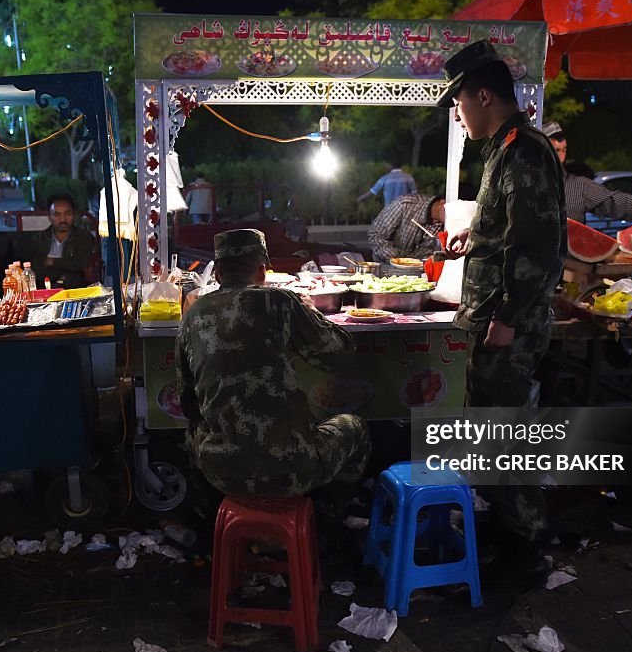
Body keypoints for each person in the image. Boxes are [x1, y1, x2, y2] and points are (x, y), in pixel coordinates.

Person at [437, 40, 565, 569]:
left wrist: (508, 319)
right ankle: (505, 524)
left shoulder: (524, 150)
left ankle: (525, 540)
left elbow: (536, 246)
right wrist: (478, 233)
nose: (459, 114)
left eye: (460, 103)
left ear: (483, 95)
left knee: (505, 430)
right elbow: (511, 228)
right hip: (493, 317)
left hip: (507, 323)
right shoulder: (506, 150)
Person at [175, 228, 371, 499]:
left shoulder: (192, 314)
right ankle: (334, 508)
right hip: (295, 469)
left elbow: (188, 403)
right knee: (356, 427)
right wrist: (311, 313)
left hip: (222, 473)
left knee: (190, 434)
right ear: (262, 271)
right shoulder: (280, 302)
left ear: (218, 274)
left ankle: (207, 513)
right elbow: (338, 355)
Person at [541, 121, 632, 231]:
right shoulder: (521, 182)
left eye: (563, 150)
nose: (560, 158)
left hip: (569, 268)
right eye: (555, 150)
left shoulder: (577, 186)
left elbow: (617, 201)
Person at [31, 193, 97, 289]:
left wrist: (52, 262)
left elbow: (81, 264)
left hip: (74, 288)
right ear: (49, 216)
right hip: (45, 288)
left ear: (73, 214)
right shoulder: (39, 238)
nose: (63, 219)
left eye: (67, 213)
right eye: (57, 214)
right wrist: (65, 267)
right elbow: (35, 269)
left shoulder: (84, 237)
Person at [367, 194, 446, 263]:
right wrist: (398, 260)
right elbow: (375, 235)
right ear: (442, 203)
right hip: (385, 265)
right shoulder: (405, 204)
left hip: (418, 272)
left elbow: (430, 255)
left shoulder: (445, 227)